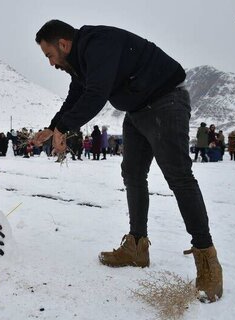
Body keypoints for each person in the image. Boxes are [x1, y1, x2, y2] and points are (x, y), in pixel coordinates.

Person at [32, 20, 222, 302]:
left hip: (165, 99)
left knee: (178, 176)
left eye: (49, 55)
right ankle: (136, 246)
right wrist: (53, 127)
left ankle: (207, 259)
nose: (50, 63)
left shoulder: (98, 44)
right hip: (137, 109)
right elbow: (77, 95)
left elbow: (96, 95)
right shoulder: (82, 61)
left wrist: (64, 129)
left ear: (63, 44)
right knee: (132, 173)